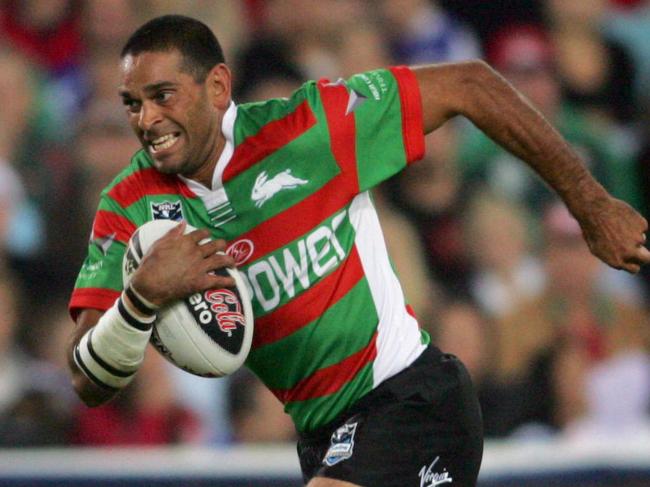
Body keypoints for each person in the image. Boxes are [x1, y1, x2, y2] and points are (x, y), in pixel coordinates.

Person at [65, 15, 649, 487]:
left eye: (162, 95)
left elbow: (470, 83)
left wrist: (589, 204)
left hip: (411, 402)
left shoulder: (313, 127)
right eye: (132, 103)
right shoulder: (128, 207)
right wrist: (139, 300)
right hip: (322, 440)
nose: (147, 119)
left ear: (217, 86)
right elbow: (87, 378)